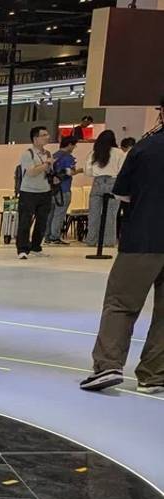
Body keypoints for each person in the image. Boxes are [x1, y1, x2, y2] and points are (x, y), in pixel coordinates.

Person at [80, 99, 164, 393]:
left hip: (143, 238)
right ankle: (154, 375)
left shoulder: (144, 148)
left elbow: (123, 194)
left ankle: (108, 365)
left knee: (121, 304)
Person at [15, 126, 55, 259]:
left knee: (42, 221)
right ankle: (22, 249)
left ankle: (36, 247)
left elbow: (48, 171)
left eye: (47, 134)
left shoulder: (48, 154)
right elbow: (31, 172)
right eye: (44, 135)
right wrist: (46, 165)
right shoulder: (28, 154)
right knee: (25, 221)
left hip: (45, 191)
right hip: (29, 192)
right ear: (35, 138)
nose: (47, 137)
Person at [85, 129, 127, 250]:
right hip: (113, 182)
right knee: (111, 215)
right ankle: (108, 241)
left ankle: (91, 240)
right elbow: (123, 170)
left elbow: (87, 171)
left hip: (97, 182)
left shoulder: (94, 153)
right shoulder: (119, 152)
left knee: (94, 214)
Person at [45, 136, 82, 245]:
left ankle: (47, 236)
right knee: (59, 214)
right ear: (70, 145)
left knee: (50, 214)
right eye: (74, 145)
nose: (74, 148)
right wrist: (79, 171)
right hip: (63, 189)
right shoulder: (68, 157)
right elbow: (70, 172)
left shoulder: (54, 156)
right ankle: (55, 237)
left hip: (51, 189)